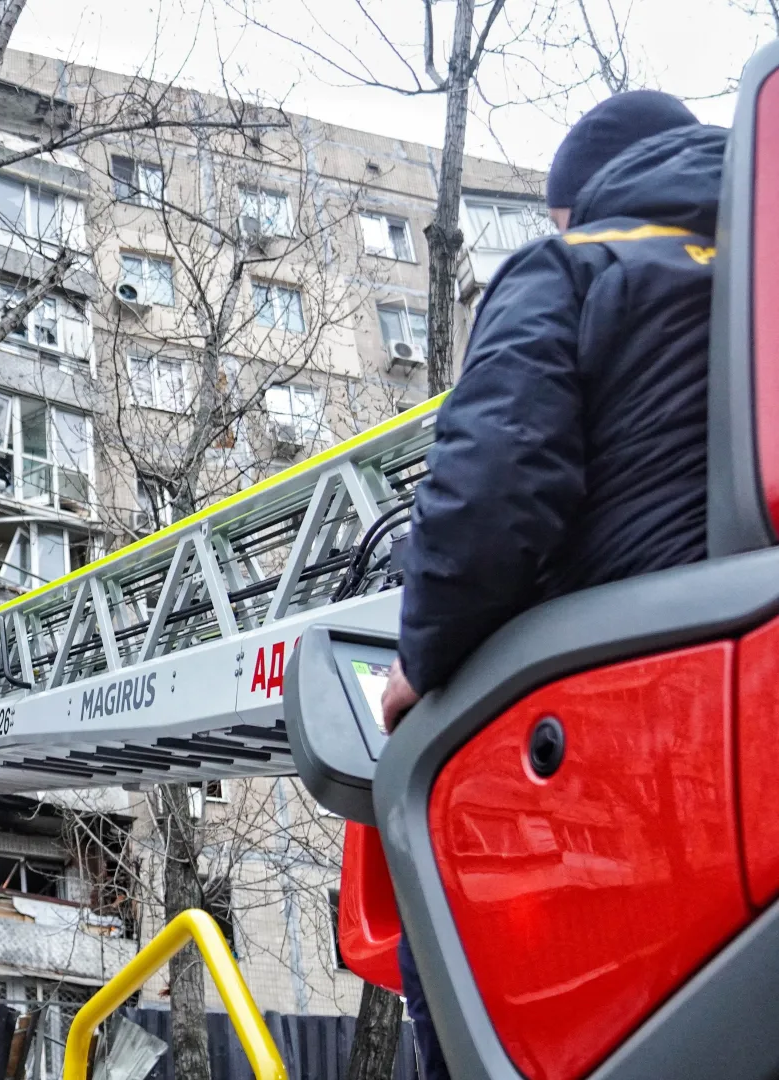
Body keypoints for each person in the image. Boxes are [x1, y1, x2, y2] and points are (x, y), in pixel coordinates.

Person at [378, 90, 723, 1080]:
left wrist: (421, 663)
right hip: (735, 715)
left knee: (449, 912)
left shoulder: (574, 265)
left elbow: (492, 485)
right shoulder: (756, 269)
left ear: (580, 198)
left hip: (635, 727)